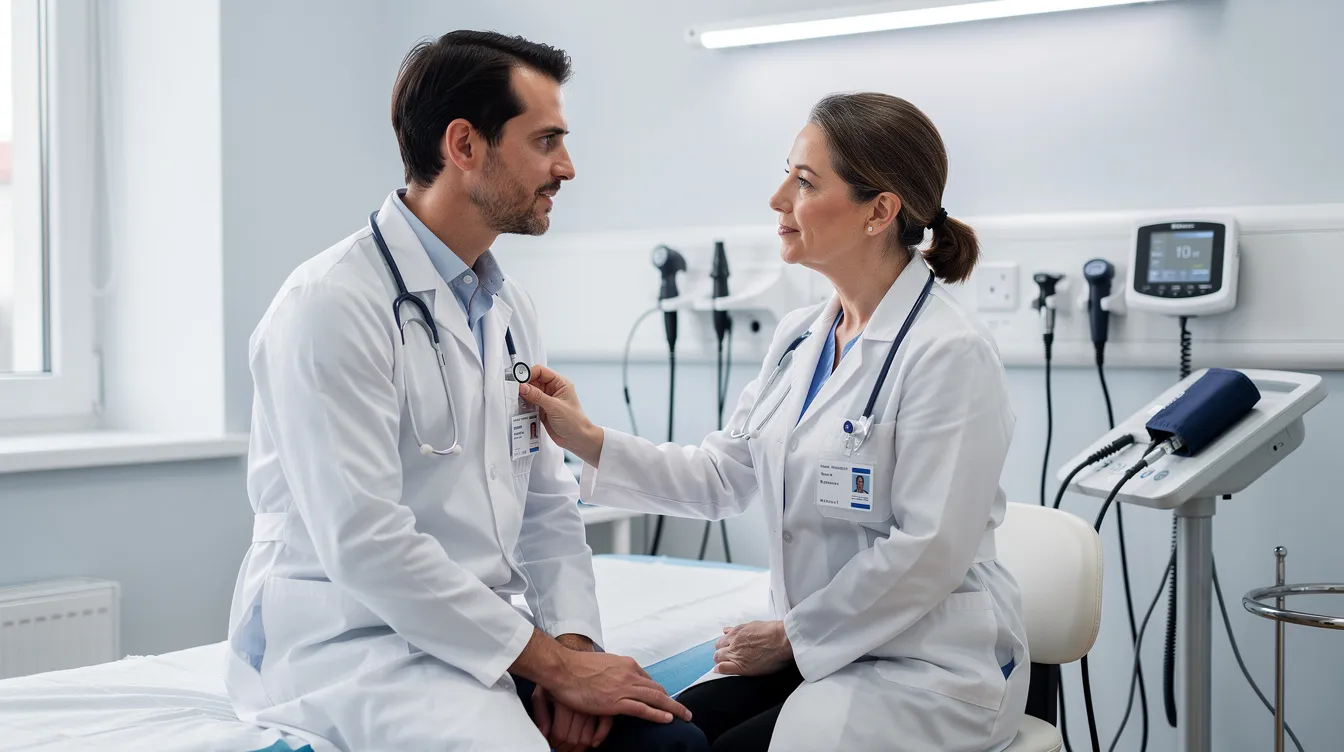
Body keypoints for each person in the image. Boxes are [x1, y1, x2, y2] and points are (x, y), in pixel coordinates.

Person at [223, 31, 705, 752]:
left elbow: (546, 506)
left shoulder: (510, 310)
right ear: (464, 145)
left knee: (668, 744)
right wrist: (550, 665)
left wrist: (573, 651)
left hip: (484, 632)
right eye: (546, 141)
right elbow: (368, 545)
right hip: (353, 643)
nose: (566, 167)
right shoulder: (330, 306)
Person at [521, 93, 1029, 751]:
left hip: (926, 664)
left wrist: (792, 635)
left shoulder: (949, 353)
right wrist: (585, 439)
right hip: (824, 647)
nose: (777, 197)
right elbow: (720, 477)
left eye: (805, 181)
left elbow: (926, 553)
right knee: (656, 742)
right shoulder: (800, 338)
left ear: (880, 211)